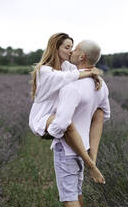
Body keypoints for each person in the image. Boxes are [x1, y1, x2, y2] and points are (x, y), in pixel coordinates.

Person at [29, 33, 105, 183]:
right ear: (55, 48)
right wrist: (89, 73)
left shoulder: (67, 66)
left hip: (56, 113)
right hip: (43, 117)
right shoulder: (43, 70)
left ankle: (90, 159)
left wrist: (94, 74)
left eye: (72, 47)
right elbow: (67, 77)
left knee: (95, 115)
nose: (70, 51)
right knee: (66, 123)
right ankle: (91, 165)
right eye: (67, 47)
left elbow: (81, 69)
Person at [47, 40, 110, 207]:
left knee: (70, 200)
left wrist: (49, 131)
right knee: (76, 193)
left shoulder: (71, 86)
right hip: (84, 148)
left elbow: (62, 125)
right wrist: (92, 158)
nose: (71, 51)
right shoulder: (100, 84)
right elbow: (101, 116)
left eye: (75, 49)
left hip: (67, 148)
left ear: (82, 56)